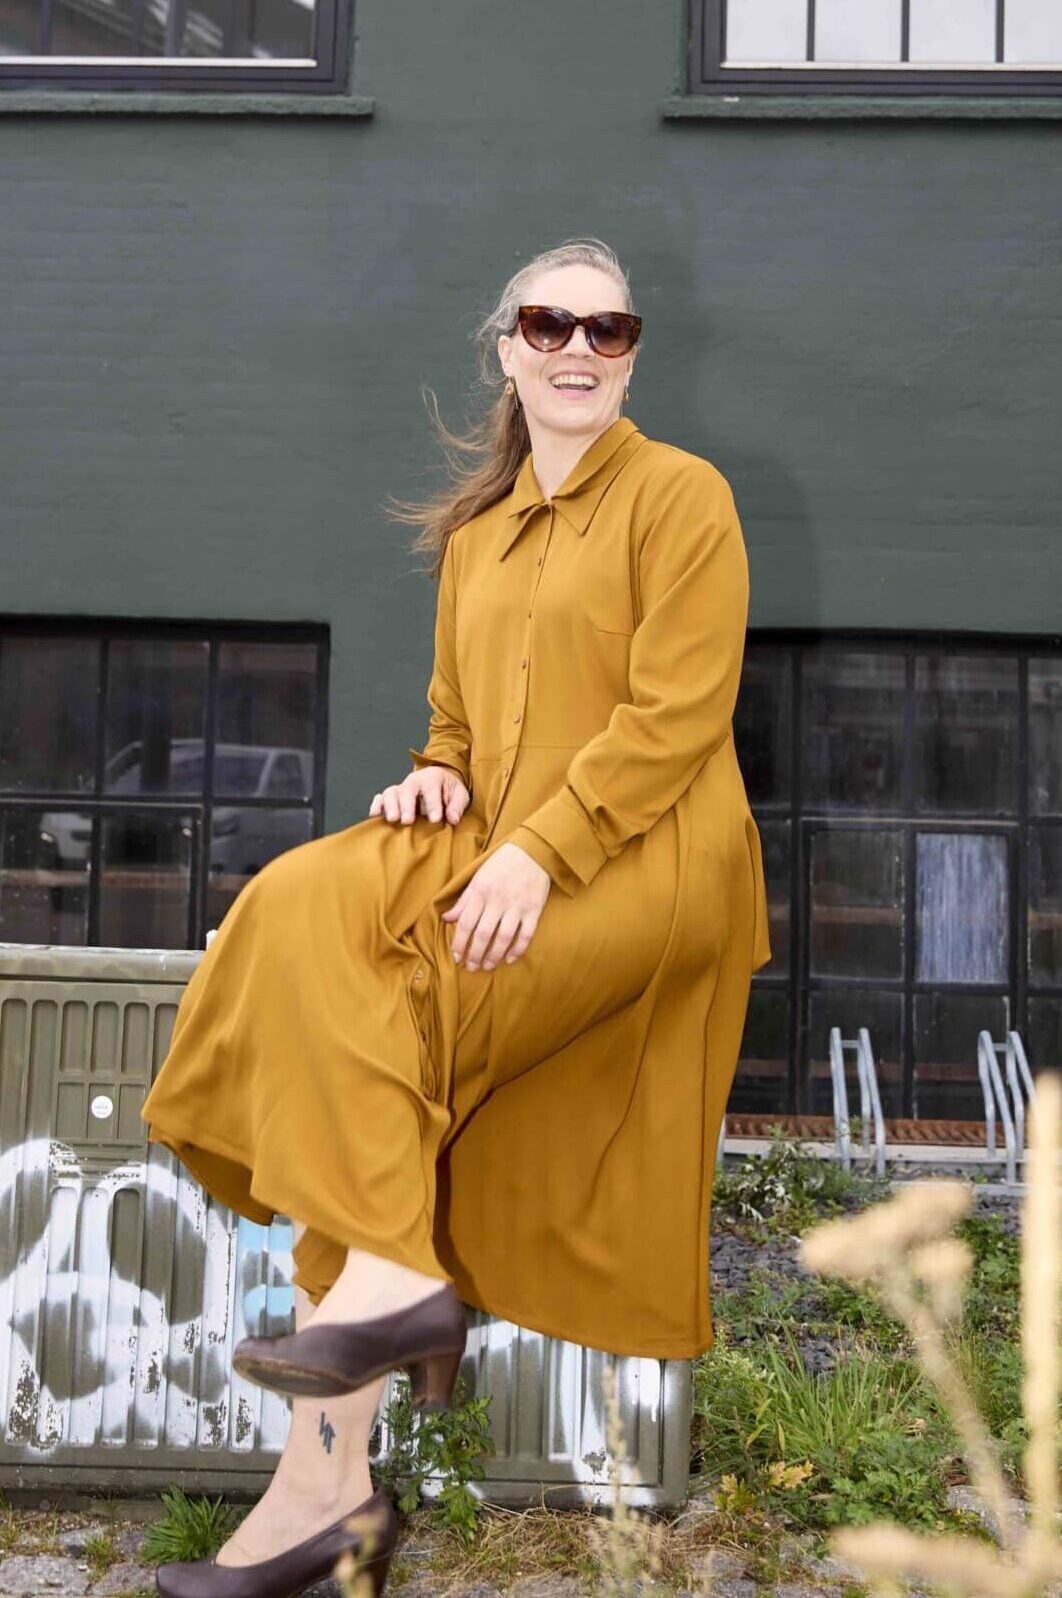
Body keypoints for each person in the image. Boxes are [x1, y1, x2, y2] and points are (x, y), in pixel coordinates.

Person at [140, 235, 771, 1595]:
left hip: (647, 870)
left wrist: (540, 850)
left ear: (633, 356)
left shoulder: (683, 497)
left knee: (382, 1036)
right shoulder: (477, 537)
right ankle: (332, 1484)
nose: (579, 349)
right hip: (500, 850)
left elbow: (678, 716)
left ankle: (337, 1448)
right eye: (551, 324)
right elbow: (456, 726)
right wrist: (435, 776)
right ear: (508, 349)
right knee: (301, 912)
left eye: (609, 330)